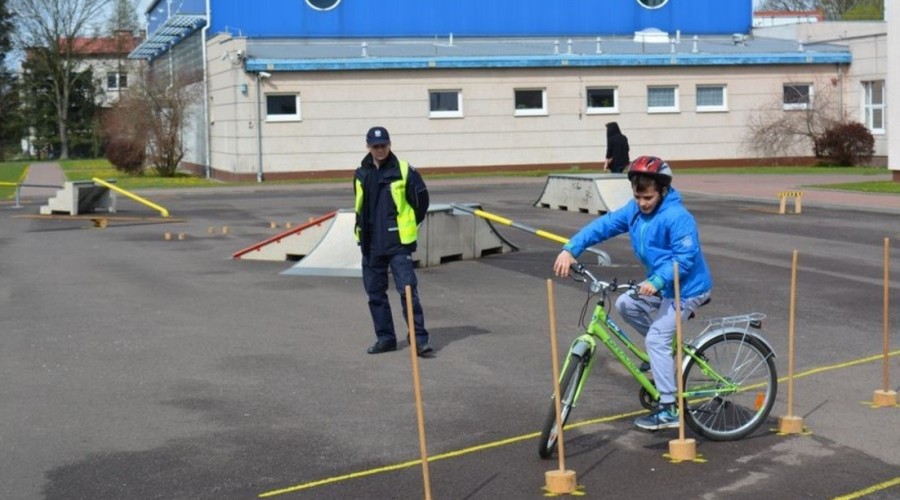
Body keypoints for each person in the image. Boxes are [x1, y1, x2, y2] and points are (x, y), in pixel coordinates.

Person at [553, 156, 712, 430]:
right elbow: (602, 226)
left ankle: (669, 409)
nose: (642, 203)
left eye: (648, 197)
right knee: (626, 303)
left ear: (662, 191)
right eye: (638, 197)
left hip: (685, 288)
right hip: (662, 285)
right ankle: (662, 353)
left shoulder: (678, 217)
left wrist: (658, 281)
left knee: (656, 339)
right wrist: (571, 249)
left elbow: (685, 259)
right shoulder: (634, 211)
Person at [353, 126, 434, 357]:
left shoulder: (405, 170)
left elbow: (422, 201)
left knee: (407, 290)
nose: (380, 150)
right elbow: (359, 208)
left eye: (383, 145)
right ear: (368, 147)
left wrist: (407, 226)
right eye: (375, 146)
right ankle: (386, 338)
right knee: (375, 294)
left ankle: (419, 339)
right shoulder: (360, 173)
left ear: (390, 144)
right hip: (370, 243)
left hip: (398, 243)